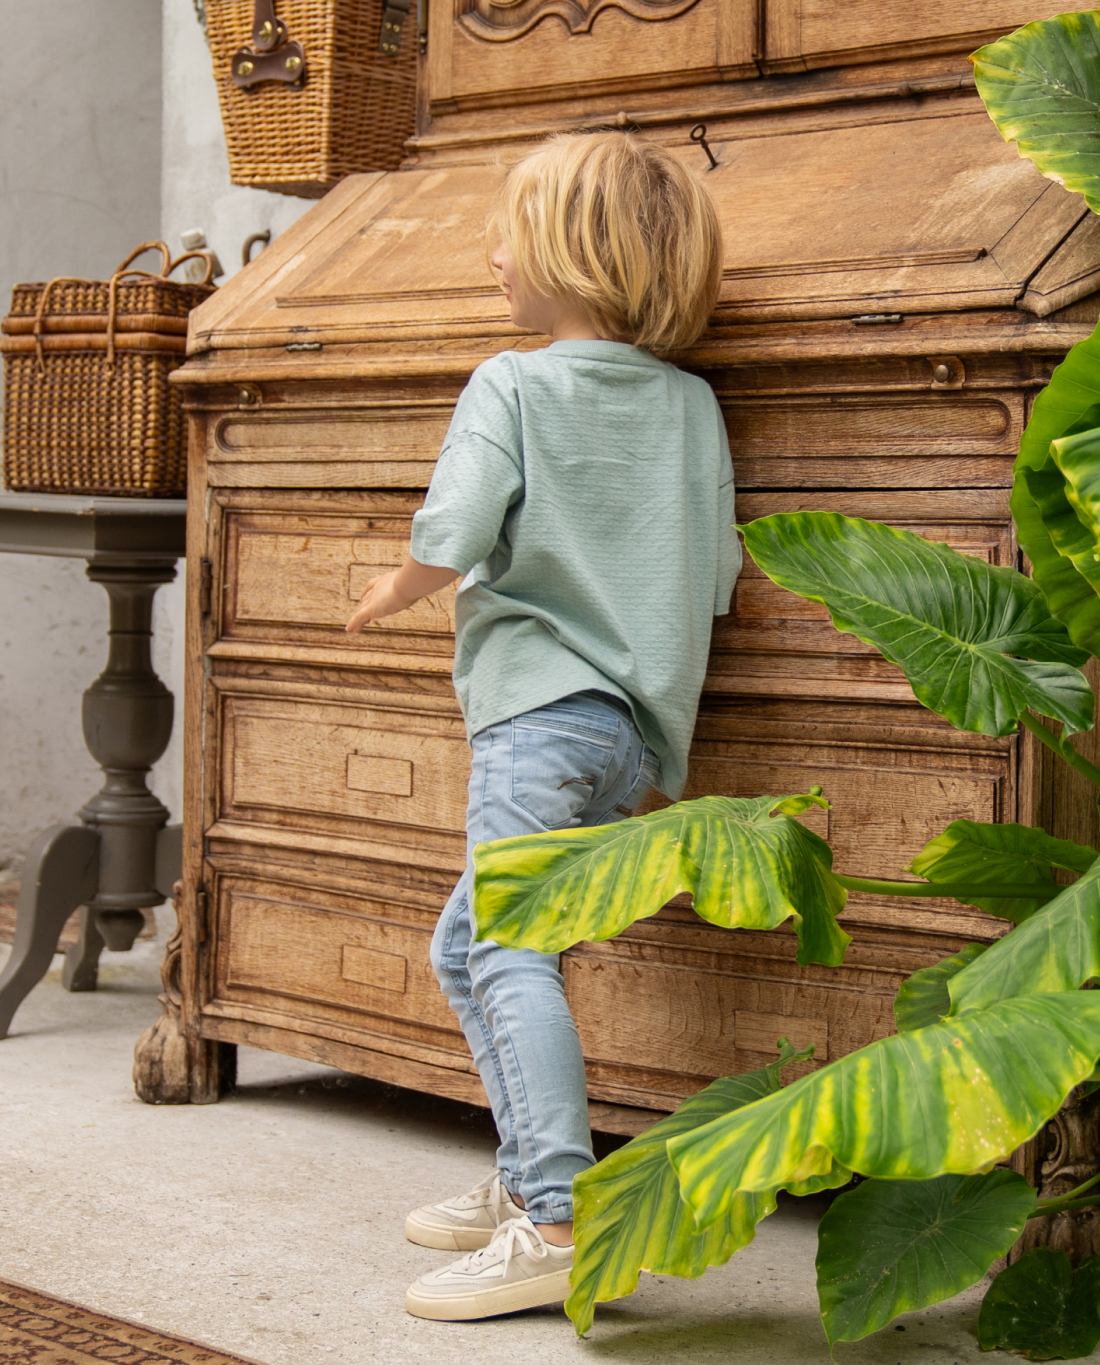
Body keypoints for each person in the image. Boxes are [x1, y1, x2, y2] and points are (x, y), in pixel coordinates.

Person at [345, 130, 741, 1322]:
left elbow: (456, 524)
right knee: (466, 947)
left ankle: (559, 1216)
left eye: (508, 230)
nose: (492, 254)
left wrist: (395, 590)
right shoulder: (689, 404)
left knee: (505, 951)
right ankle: (530, 1177)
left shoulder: (510, 381)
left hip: (531, 720)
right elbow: (713, 574)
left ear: (565, 253)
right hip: (630, 736)